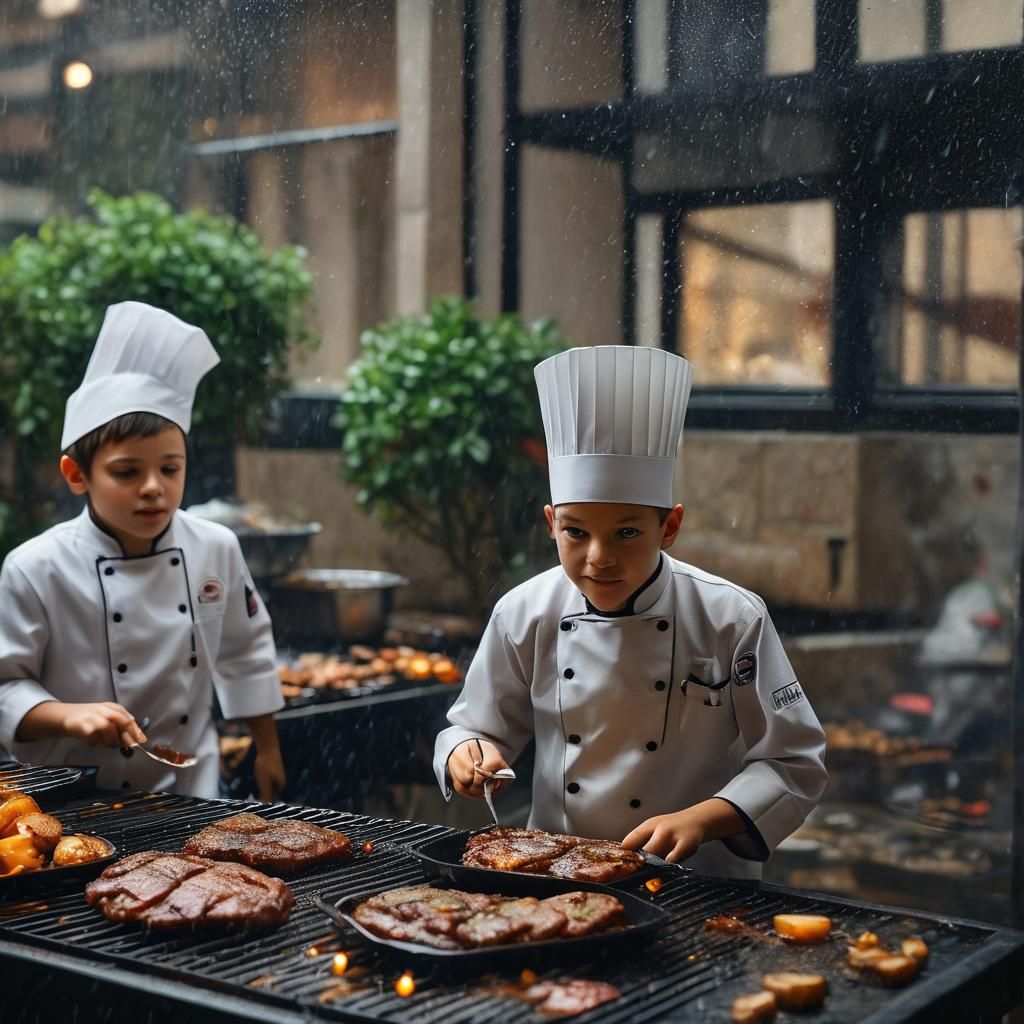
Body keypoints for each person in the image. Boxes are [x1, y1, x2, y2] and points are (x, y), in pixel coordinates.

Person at [434, 345, 827, 878]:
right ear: (551, 523)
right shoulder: (522, 613)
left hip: (699, 883)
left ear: (669, 527)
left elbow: (793, 760)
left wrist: (705, 819)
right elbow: (476, 727)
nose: (599, 557)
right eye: (575, 532)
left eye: (626, 532)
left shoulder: (732, 618)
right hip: (555, 876)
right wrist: (467, 753)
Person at [0, 301, 286, 801]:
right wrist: (69, 716)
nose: (153, 488)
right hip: (68, 797)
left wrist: (267, 748)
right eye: (127, 472)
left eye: (170, 469)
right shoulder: (34, 569)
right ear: (76, 475)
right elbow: (5, 687)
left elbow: (246, 654)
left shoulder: (216, 546)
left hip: (189, 791)